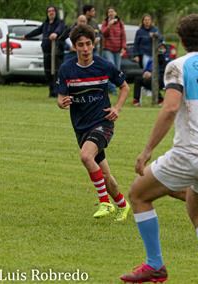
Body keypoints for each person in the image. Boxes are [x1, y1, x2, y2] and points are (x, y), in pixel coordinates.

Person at [120, 14, 198, 284]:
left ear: (182, 39)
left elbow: (169, 108)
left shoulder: (177, 66)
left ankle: (155, 265)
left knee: (138, 194)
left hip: (189, 153)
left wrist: (147, 150)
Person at [55, 24, 131, 221]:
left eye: (89, 44)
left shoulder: (104, 65)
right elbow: (60, 98)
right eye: (81, 45)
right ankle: (123, 205)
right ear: (74, 47)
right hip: (81, 127)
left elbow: (124, 87)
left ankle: (104, 202)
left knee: (86, 156)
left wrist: (117, 108)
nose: (86, 49)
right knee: (105, 176)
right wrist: (63, 102)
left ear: (94, 44)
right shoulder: (66, 69)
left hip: (102, 123)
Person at [24, 5, 65, 98]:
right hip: (46, 52)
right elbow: (37, 31)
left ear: (55, 12)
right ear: (47, 13)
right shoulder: (45, 24)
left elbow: (59, 29)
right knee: (47, 72)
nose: (51, 12)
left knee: (55, 72)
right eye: (49, 11)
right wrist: (26, 36)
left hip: (56, 52)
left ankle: (56, 91)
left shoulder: (60, 23)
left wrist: (55, 33)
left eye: (53, 11)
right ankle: (51, 91)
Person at [101, 7, 126, 95]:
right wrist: (109, 25)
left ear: (115, 13)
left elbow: (123, 36)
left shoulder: (120, 23)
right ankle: (113, 90)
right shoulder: (105, 23)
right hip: (108, 49)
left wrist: (123, 47)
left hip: (118, 49)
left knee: (117, 69)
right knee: (111, 67)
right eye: (109, 12)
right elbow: (104, 33)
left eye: (112, 11)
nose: (111, 13)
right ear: (107, 14)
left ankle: (117, 88)